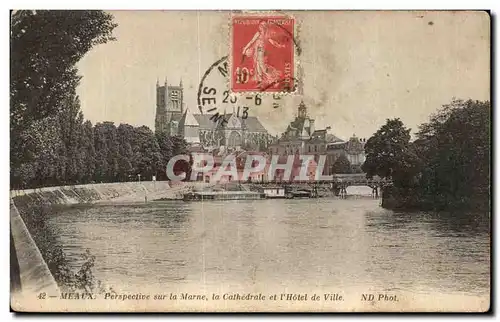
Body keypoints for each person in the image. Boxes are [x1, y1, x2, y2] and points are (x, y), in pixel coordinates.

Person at [241, 21, 285, 88]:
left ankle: (273, 80)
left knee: (261, 65)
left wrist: (280, 45)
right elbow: (251, 42)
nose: (262, 27)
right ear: (260, 27)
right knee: (257, 65)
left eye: (263, 26)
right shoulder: (258, 33)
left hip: (260, 51)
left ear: (265, 27)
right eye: (261, 26)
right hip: (257, 50)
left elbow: (273, 42)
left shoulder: (266, 35)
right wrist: (245, 49)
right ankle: (260, 81)